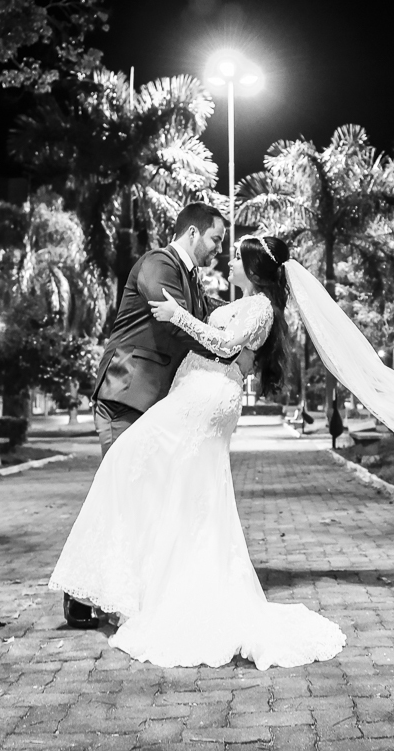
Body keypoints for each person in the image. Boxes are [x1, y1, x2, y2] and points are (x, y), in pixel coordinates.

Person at [50, 235, 346, 669]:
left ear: (254, 266)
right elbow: (226, 342)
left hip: (205, 399)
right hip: (197, 393)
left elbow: (225, 346)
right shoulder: (244, 302)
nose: (228, 261)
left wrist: (177, 315)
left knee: (128, 458)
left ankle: (141, 589)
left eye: (236, 257)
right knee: (184, 493)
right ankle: (155, 584)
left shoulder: (261, 306)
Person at [65, 202, 245, 629]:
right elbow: (177, 323)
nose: (218, 250)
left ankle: (118, 589)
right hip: (124, 394)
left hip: (152, 403)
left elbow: (204, 309)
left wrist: (250, 310)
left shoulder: (189, 277)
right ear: (193, 233)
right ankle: (78, 594)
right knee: (120, 493)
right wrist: (229, 345)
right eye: (216, 239)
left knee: (138, 495)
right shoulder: (158, 264)